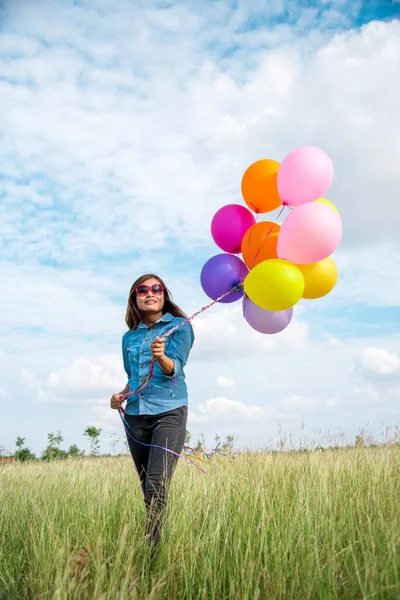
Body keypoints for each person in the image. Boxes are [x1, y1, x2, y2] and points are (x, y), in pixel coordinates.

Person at [110, 274, 195, 555]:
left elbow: (175, 369)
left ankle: (151, 552)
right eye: (142, 289)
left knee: (157, 482)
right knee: (148, 485)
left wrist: (161, 356)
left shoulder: (180, 328)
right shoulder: (129, 338)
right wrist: (120, 395)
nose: (150, 293)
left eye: (156, 288)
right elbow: (133, 377)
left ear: (164, 295)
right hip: (135, 414)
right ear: (135, 297)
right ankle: (155, 538)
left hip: (168, 410)